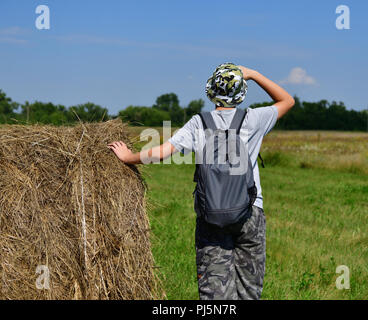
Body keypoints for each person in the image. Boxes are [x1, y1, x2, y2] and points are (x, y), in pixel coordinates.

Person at [108, 63, 294, 300]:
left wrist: (128, 157)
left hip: (211, 215)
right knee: (249, 291)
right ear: (241, 93)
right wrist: (254, 74)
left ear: (211, 90)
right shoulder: (254, 118)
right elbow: (287, 101)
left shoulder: (199, 123)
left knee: (214, 295)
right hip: (250, 213)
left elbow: (163, 153)